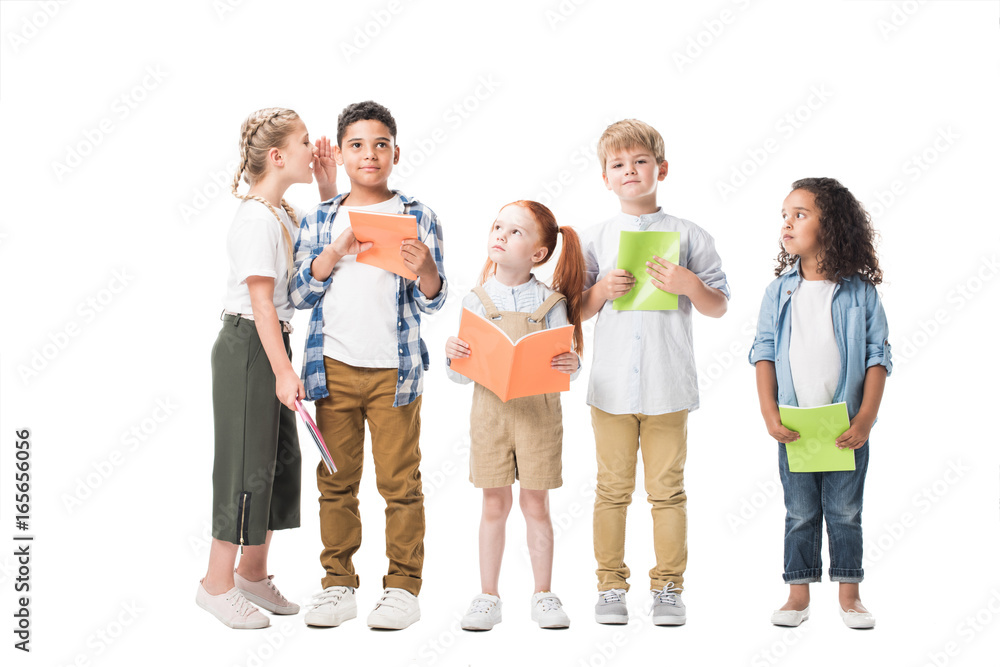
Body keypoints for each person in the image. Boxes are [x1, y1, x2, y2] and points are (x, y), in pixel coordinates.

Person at [291, 100, 447, 630]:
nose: (370, 154)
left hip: (395, 373)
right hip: (331, 369)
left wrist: (426, 269)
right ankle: (337, 585)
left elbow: (432, 301)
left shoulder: (419, 216)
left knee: (400, 484)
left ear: (395, 151)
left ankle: (403, 587)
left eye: (381, 144)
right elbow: (300, 294)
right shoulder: (321, 217)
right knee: (336, 482)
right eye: (357, 145)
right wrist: (333, 253)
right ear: (341, 153)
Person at [581, 119, 730, 626]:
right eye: (617, 165)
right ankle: (609, 587)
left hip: (668, 385)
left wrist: (689, 283)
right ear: (605, 177)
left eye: (640, 161)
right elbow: (571, 311)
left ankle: (668, 587)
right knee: (611, 490)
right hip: (610, 387)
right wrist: (600, 292)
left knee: (667, 491)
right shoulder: (596, 238)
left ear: (660, 168)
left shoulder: (690, 235)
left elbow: (718, 306)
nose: (630, 171)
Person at [197, 107, 337, 628]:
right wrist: (282, 370)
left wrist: (327, 186)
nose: (313, 148)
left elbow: (317, 258)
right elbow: (261, 303)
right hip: (251, 348)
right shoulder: (257, 218)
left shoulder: (283, 212)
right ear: (278, 156)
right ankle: (215, 584)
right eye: (305, 143)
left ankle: (251, 575)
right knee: (241, 466)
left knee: (278, 462)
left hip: (271, 344)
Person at [750, 177, 890, 629]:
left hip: (846, 426)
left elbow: (877, 356)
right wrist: (769, 414)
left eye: (800, 214)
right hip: (795, 426)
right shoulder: (779, 291)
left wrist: (866, 417)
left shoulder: (860, 293)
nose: (787, 224)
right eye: (784, 216)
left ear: (831, 225)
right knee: (800, 512)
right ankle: (797, 594)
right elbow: (765, 351)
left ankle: (850, 595)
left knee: (846, 512)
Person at [445, 201, 584, 631]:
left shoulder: (551, 302)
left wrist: (571, 364)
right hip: (490, 415)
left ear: (538, 254)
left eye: (515, 232)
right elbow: (460, 379)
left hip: (538, 416)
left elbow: (567, 363)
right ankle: (488, 595)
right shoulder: (475, 298)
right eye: (497, 226)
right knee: (493, 503)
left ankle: (543, 594)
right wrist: (454, 357)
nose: (501, 235)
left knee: (536, 504)